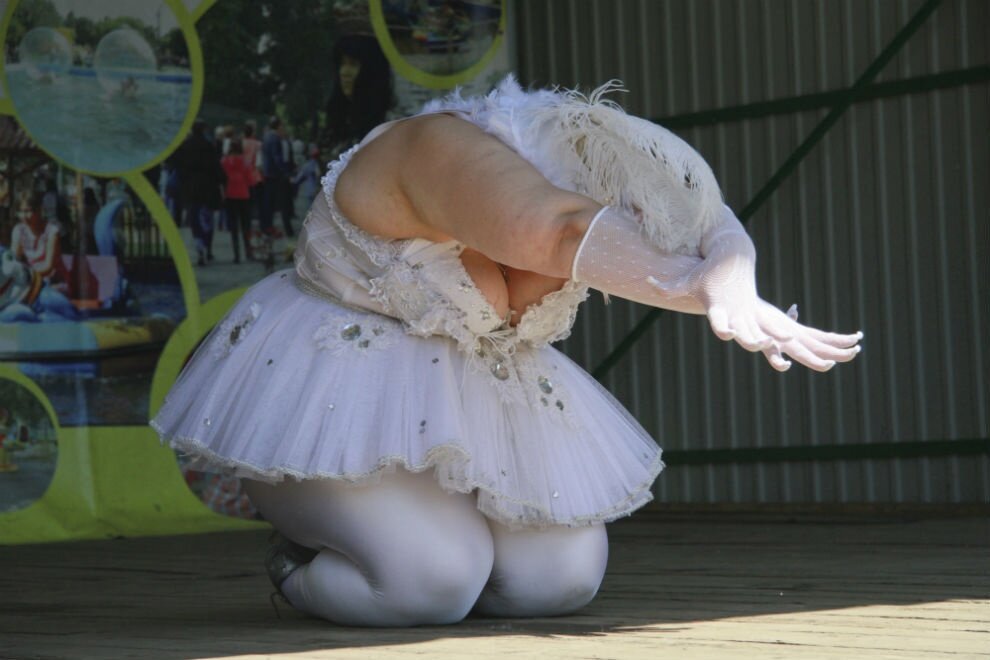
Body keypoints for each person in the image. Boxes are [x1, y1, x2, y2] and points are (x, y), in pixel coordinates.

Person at [153, 78, 861, 627]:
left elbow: (709, 221)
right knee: (430, 580)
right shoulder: (442, 153)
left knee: (558, 582)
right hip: (337, 395)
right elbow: (557, 232)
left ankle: (435, 542)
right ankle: (303, 567)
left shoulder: (593, 163)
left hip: (478, 396)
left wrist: (731, 277)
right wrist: (696, 287)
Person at [320, 34, 393, 159]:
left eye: (353, 64)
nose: (344, 72)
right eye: (342, 64)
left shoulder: (387, 128)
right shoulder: (340, 121)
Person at [171, 119, 226, 265]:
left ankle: (199, 246)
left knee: (195, 220)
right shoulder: (208, 146)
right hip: (207, 189)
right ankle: (208, 247)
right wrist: (221, 182)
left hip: (191, 189)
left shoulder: (186, 146)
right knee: (207, 220)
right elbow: (216, 167)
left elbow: (177, 166)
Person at [221, 138, 252, 263]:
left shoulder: (224, 161)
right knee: (245, 225)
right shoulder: (244, 161)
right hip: (243, 193)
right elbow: (250, 178)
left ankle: (237, 254)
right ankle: (248, 251)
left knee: (234, 226)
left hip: (230, 194)